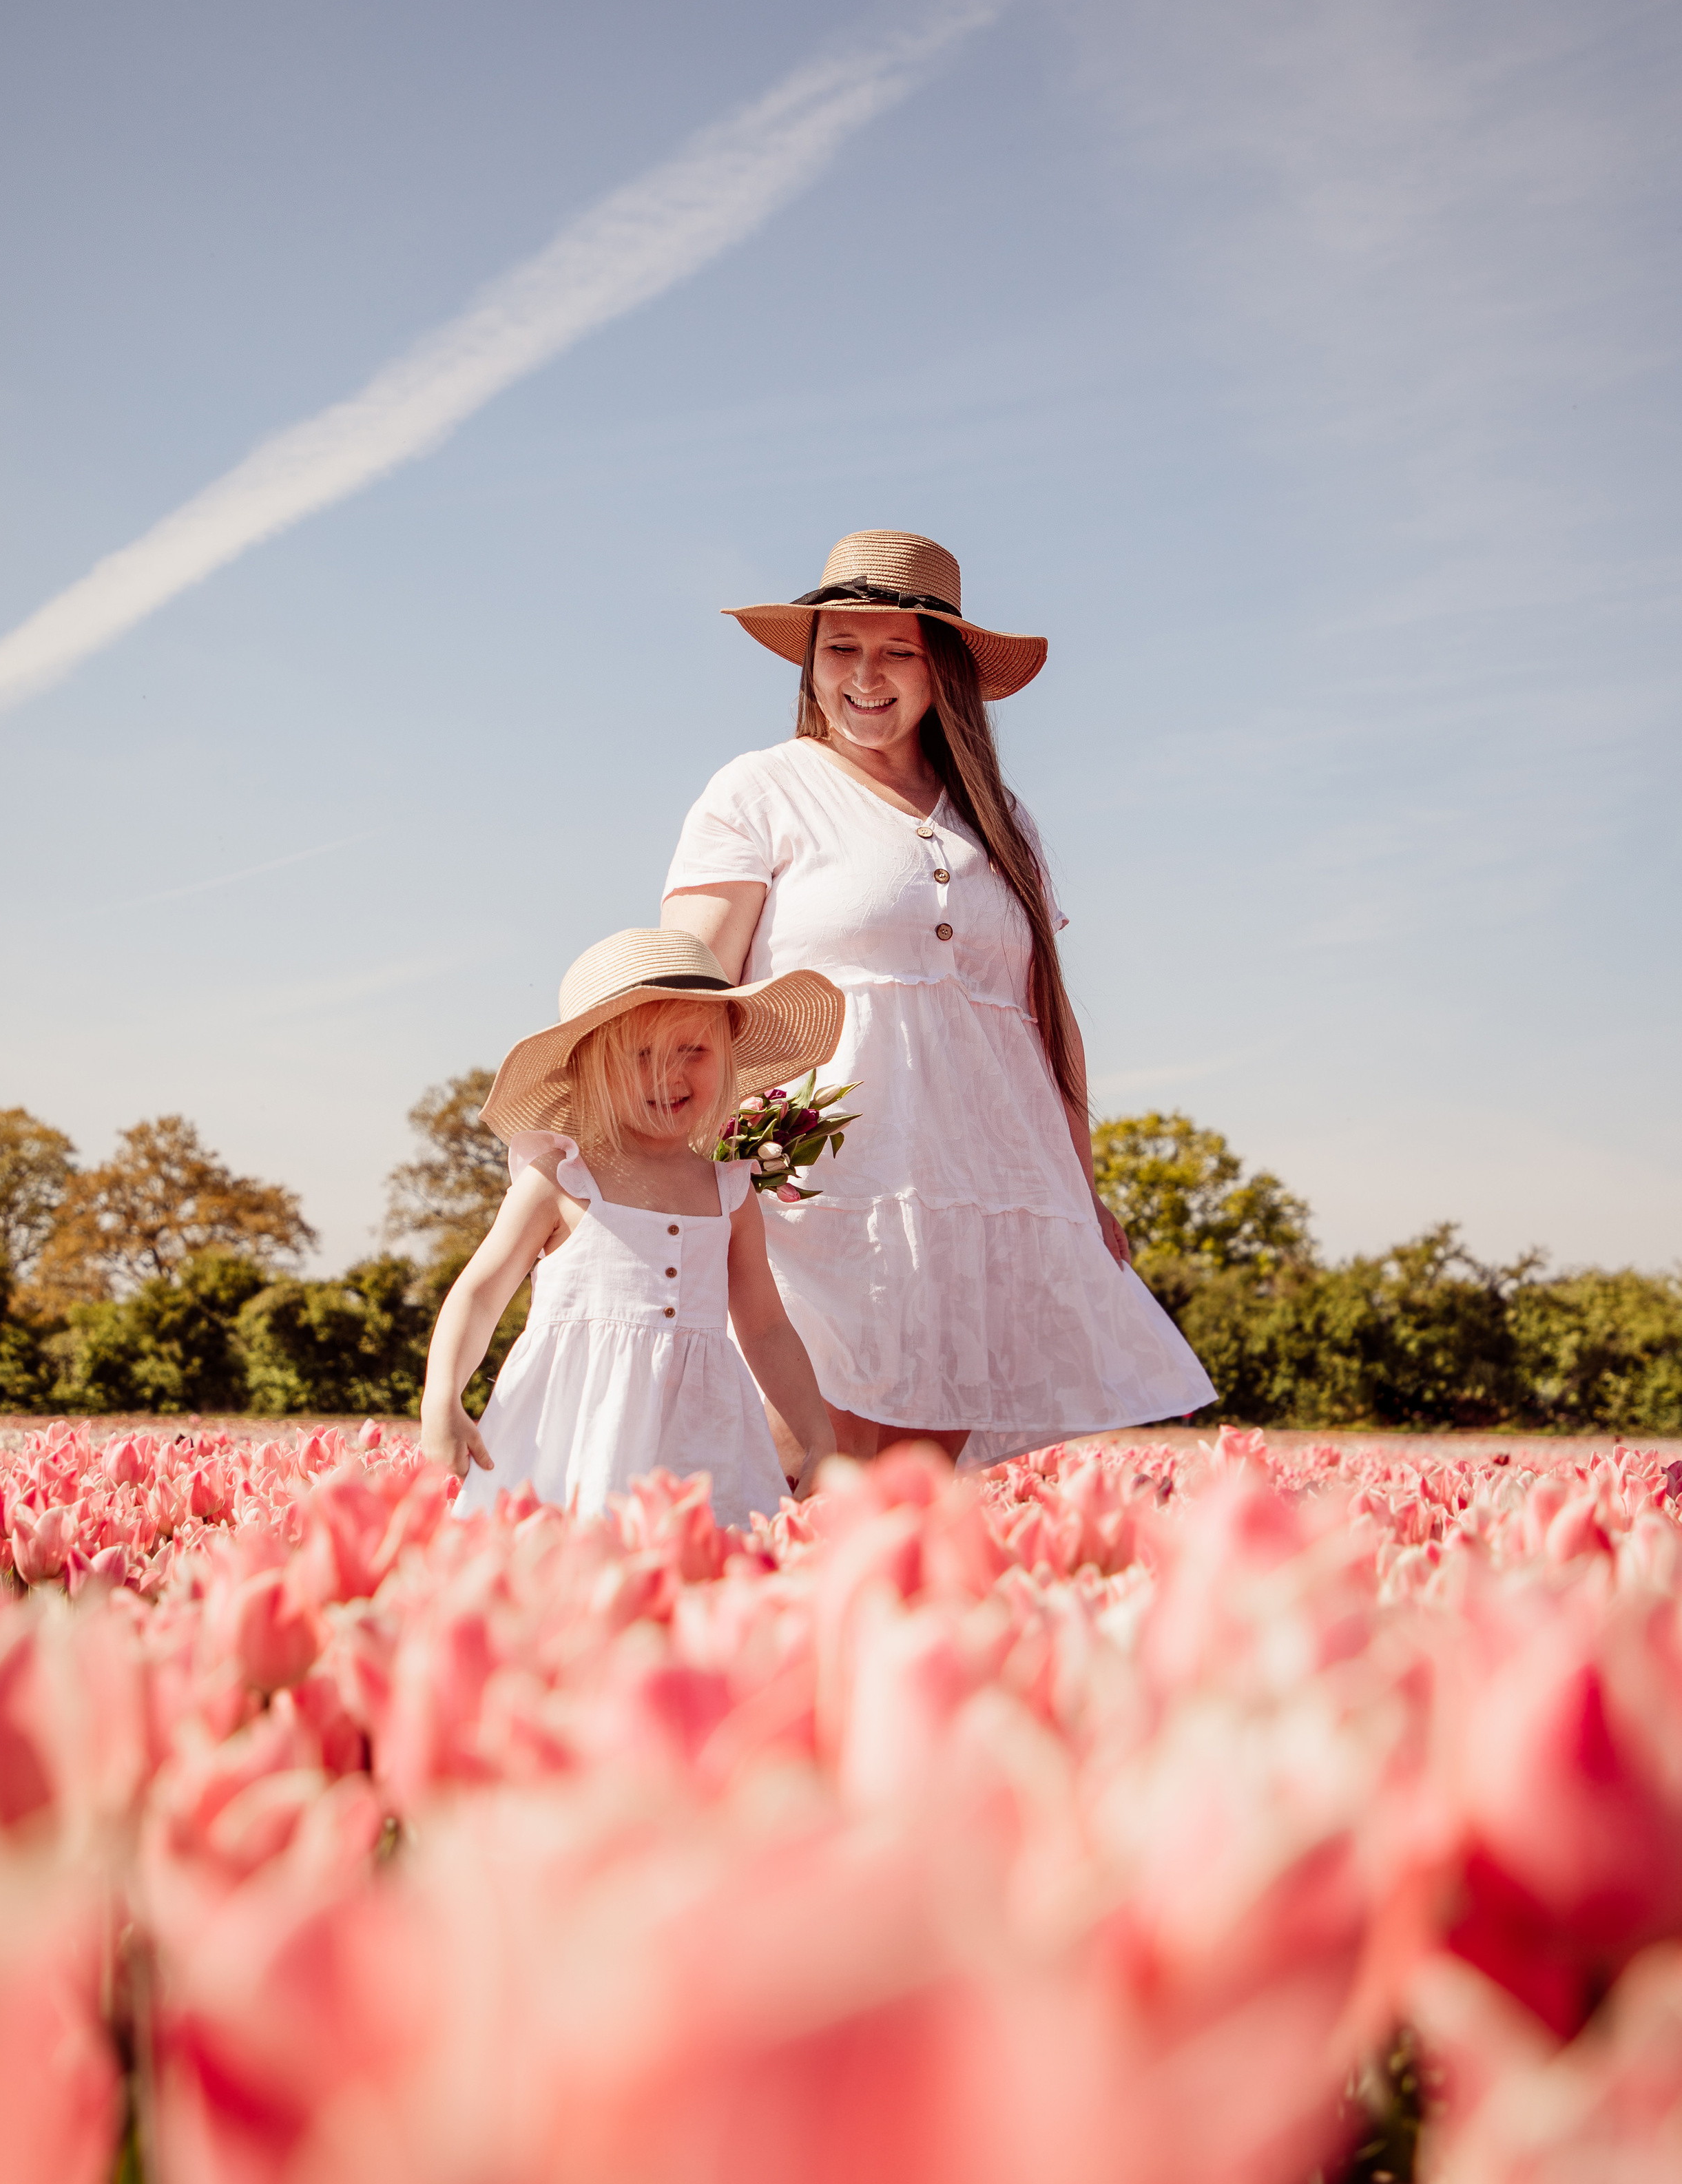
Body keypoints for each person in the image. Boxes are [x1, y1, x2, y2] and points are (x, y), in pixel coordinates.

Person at [661, 528, 1214, 1470]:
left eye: (896, 651)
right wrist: (654, 1147)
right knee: (798, 1458)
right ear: (810, 658)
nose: (864, 675)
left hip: (982, 1197)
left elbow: (1048, 1019)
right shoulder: (759, 789)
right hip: (815, 1182)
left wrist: (1083, 1187)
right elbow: (688, 982)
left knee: (914, 1485)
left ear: (942, 668)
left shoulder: (1000, 815)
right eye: (841, 646)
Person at [420, 927, 842, 1523]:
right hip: (574, 1430)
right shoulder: (560, 1179)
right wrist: (442, 1394)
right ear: (590, 1067)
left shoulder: (730, 1191)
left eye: (693, 1050)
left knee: (706, 1571)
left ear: (727, 1053)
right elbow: (481, 1292)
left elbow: (767, 1326)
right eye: (640, 1055)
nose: (669, 1075)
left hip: (703, 1437)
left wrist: (816, 1431)